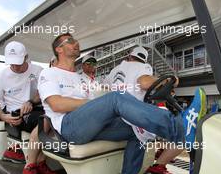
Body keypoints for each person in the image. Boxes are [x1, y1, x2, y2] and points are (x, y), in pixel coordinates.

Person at [37, 33, 184, 174]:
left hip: (89, 125)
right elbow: (57, 105)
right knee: (116, 97)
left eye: (75, 40)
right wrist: (92, 104)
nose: (76, 43)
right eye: (69, 41)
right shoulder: (49, 73)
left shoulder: (81, 78)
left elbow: (101, 95)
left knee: (139, 130)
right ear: (59, 49)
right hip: (68, 127)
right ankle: (179, 128)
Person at [104, 46, 185, 174]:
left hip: (110, 119)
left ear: (129, 56)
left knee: (142, 129)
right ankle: (178, 133)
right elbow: (145, 83)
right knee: (141, 131)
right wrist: (171, 80)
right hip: (127, 118)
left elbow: (105, 90)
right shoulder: (143, 67)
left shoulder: (115, 70)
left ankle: (160, 157)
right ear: (144, 60)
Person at [0, 41, 53, 174]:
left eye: (18, 62)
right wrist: (2, 116)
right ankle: (31, 166)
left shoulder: (38, 70)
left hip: (36, 108)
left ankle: (40, 163)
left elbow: (43, 93)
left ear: (26, 57)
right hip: (15, 114)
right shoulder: (1, 76)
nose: (15, 66)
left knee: (57, 118)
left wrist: (30, 101)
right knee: (46, 120)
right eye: (11, 63)